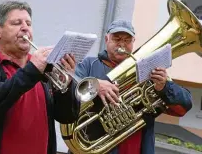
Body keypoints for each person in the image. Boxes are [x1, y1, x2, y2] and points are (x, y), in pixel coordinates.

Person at [0, 0, 80, 154]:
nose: (25, 28)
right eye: (17, 23)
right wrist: (32, 69)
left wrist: (67, 83)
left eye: (28, 23)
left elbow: (67, 116)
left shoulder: (45, 71)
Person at [69, 20, 192, 154]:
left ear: (133, 42)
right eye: (117, 39)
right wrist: (95, 84)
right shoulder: (89, 64)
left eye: (127, 40)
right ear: (107, 39)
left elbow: (184, 106)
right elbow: (69, 87)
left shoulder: (146, 71)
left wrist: (164, 87)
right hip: (94, 146)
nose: (122, 44)